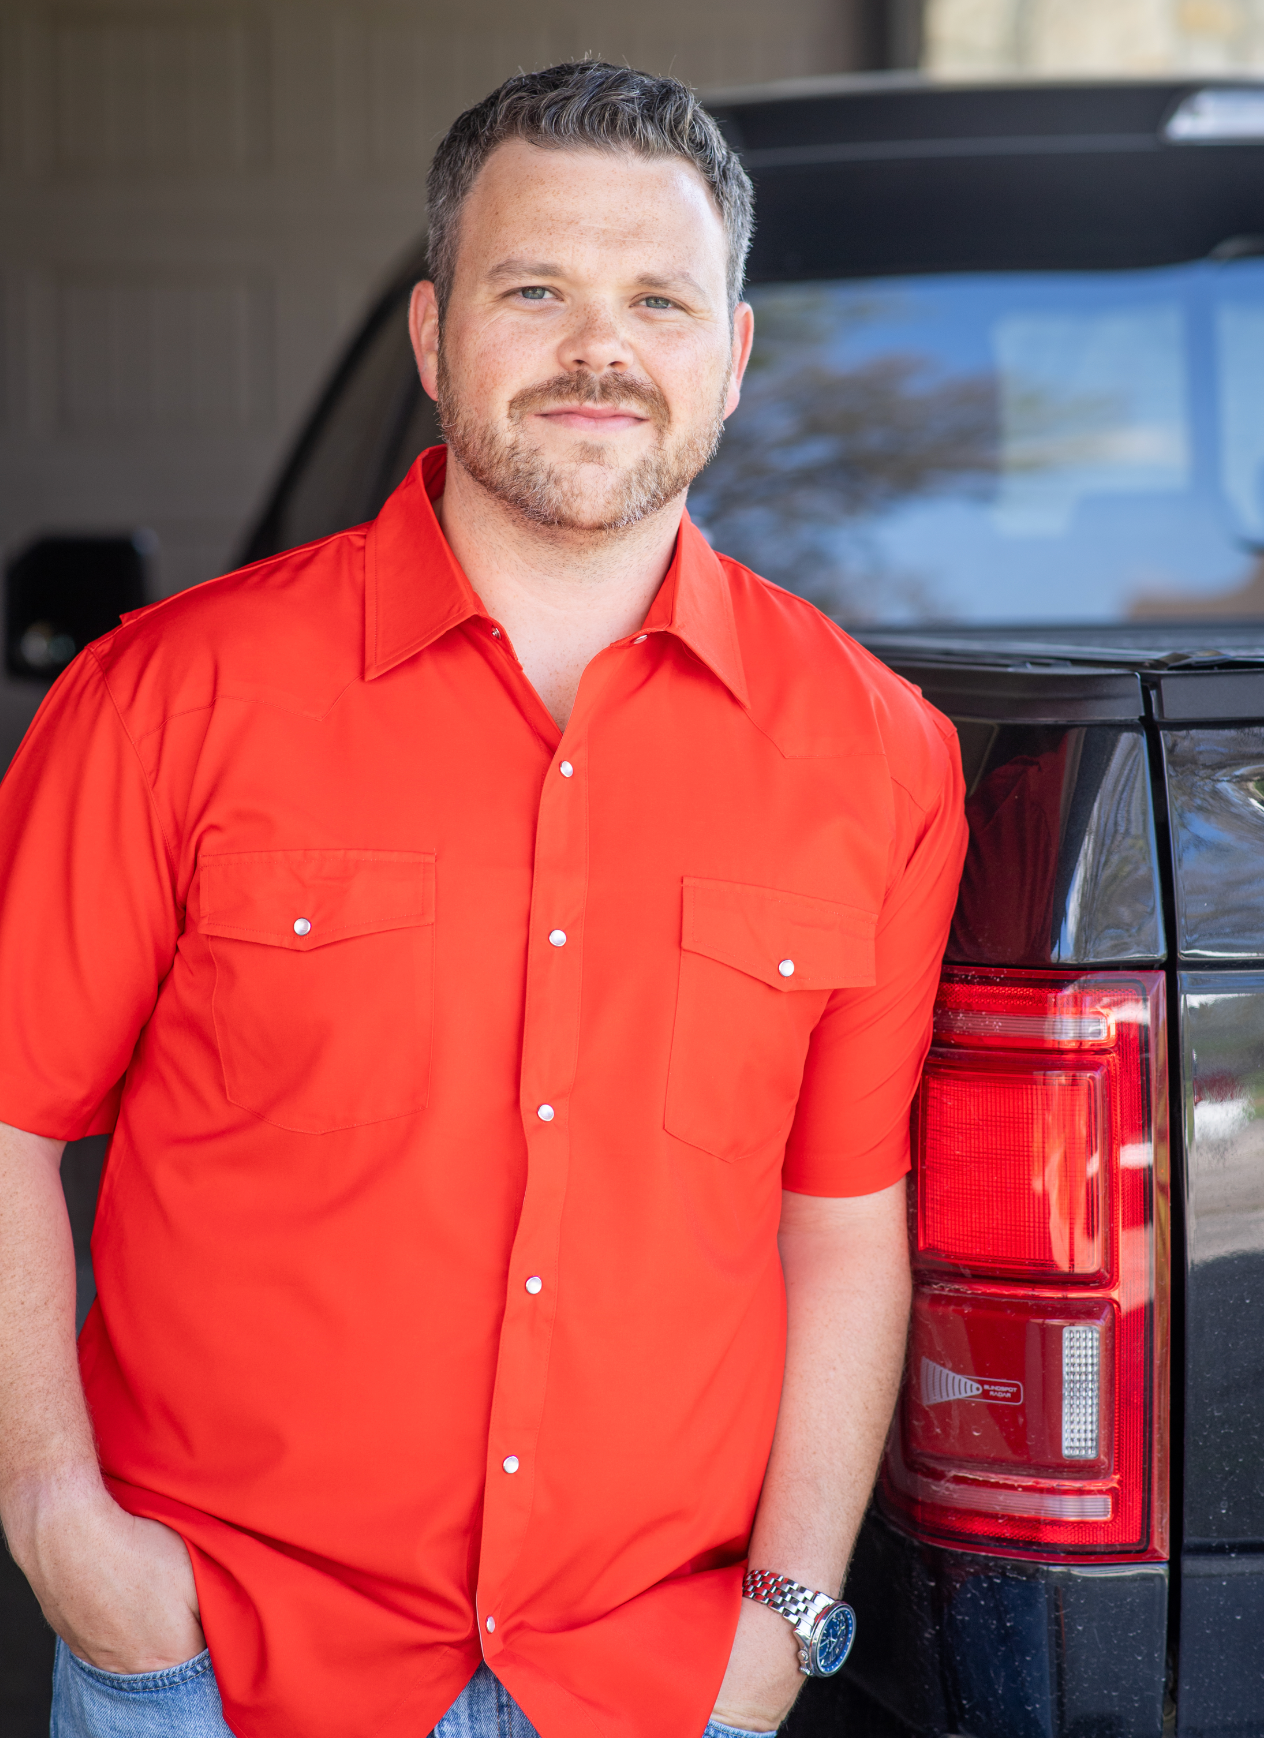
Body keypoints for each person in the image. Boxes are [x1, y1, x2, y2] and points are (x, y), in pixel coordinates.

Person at [0, 61, 966, 1738]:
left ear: (729, 361)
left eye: (659, 298)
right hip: (220, 1669)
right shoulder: (168, 697)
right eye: (539, 289)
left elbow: (840, 1224)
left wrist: (785, 1623)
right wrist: (54, 1519)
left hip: (655, 1684)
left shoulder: (881, 757)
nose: (602, 347)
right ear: (438, 339)